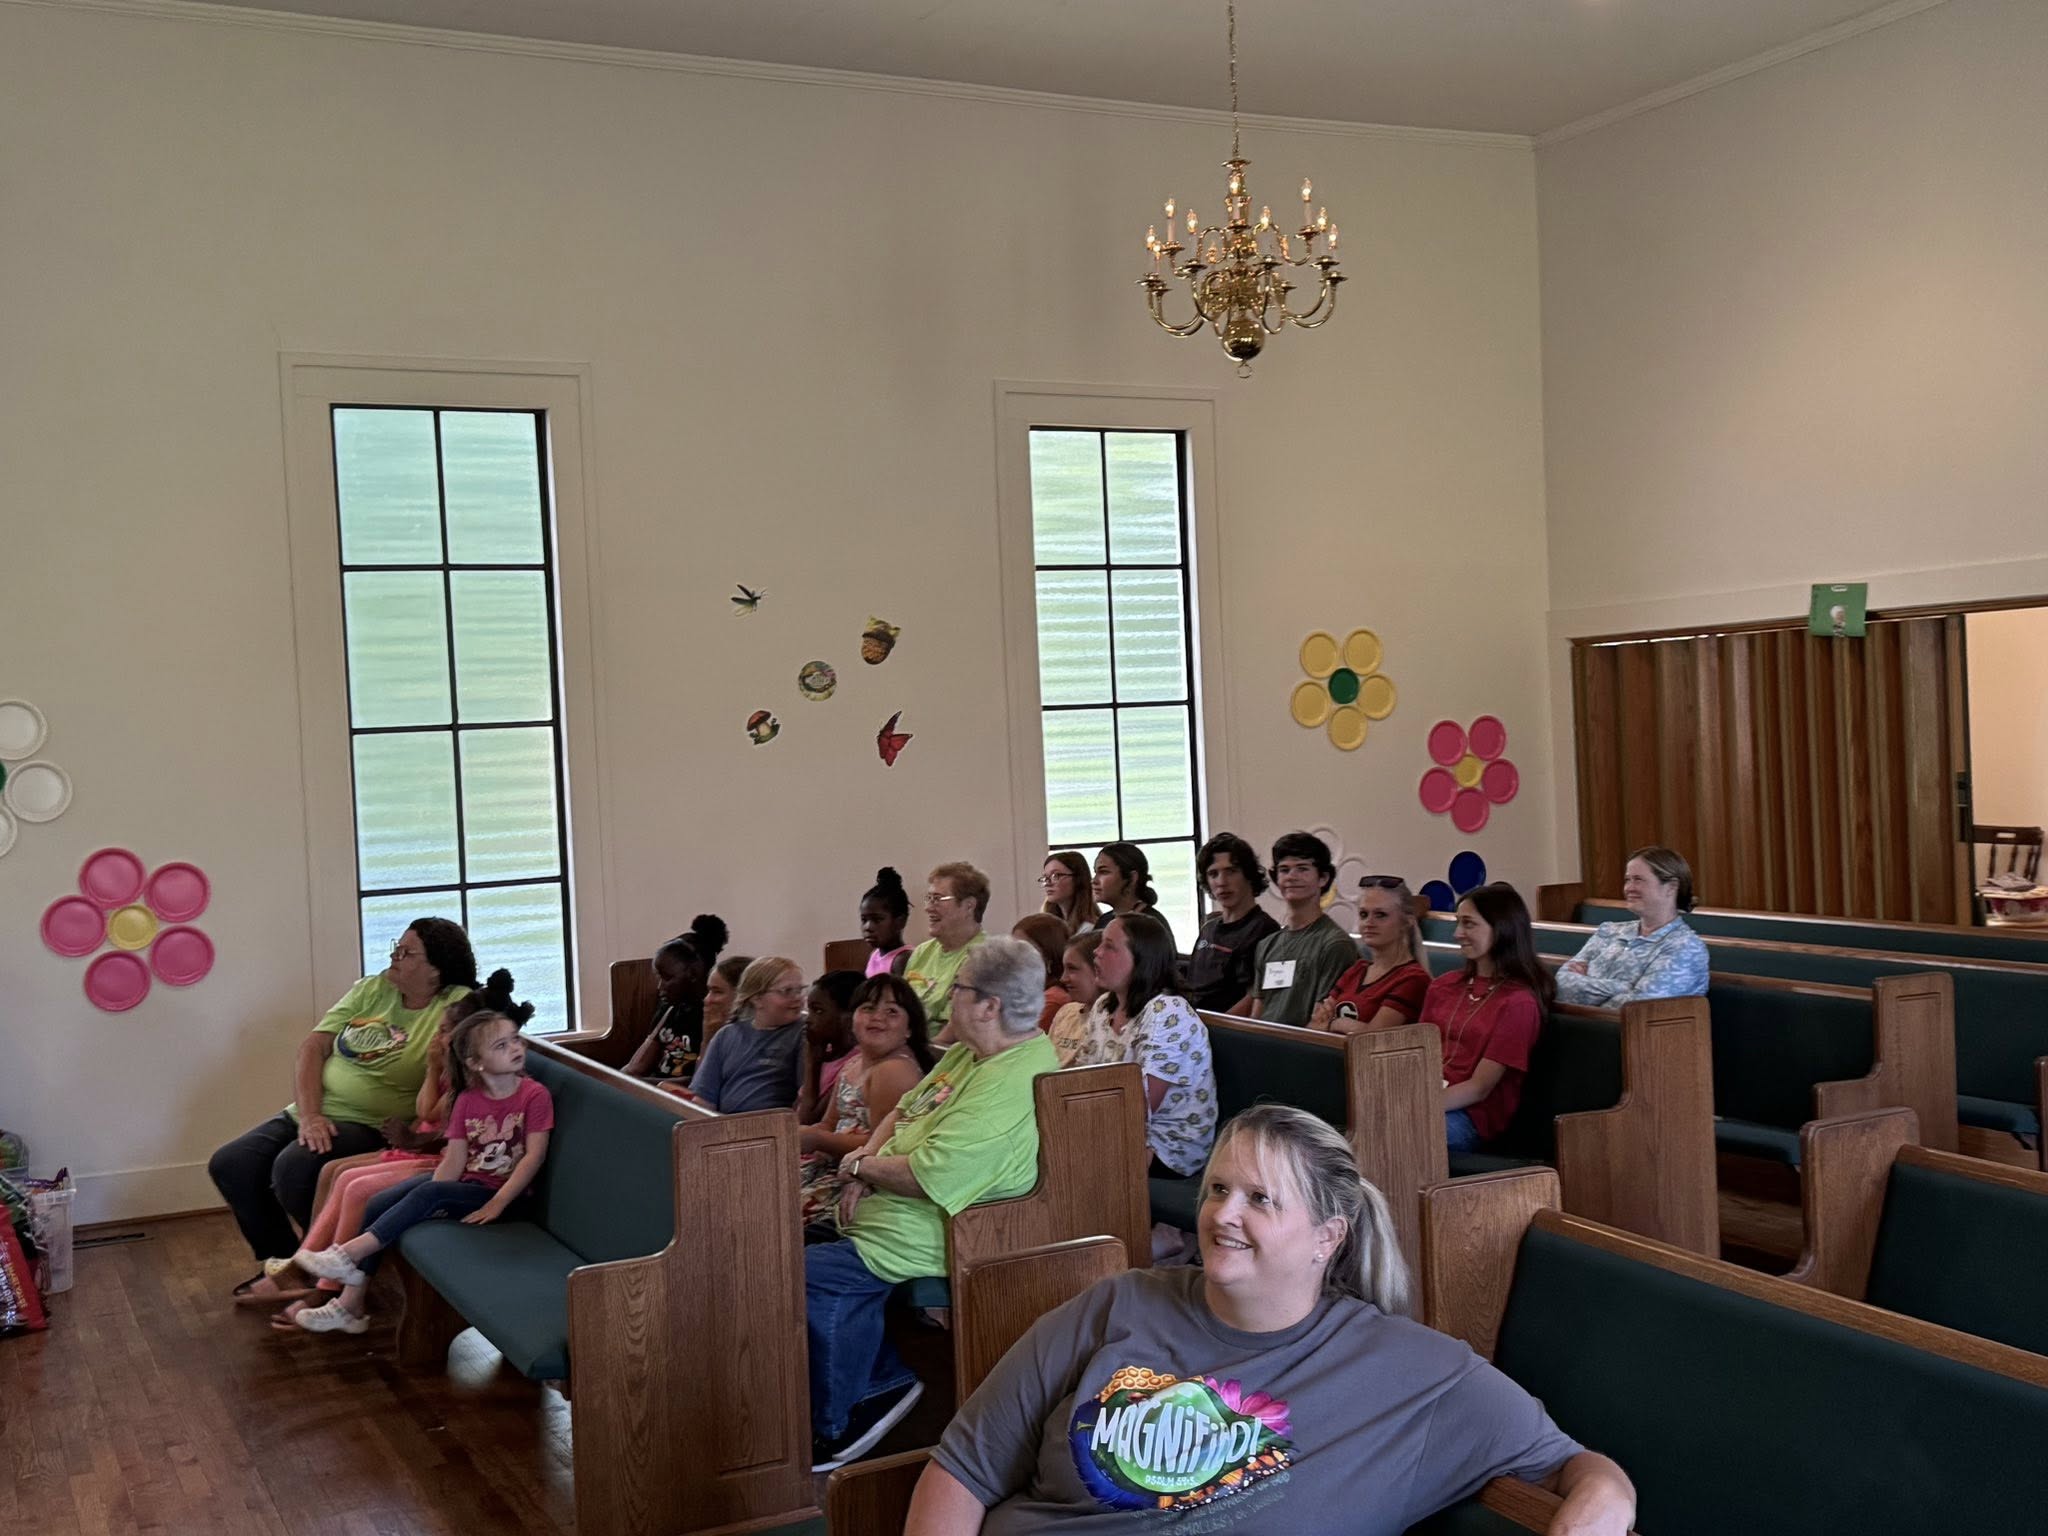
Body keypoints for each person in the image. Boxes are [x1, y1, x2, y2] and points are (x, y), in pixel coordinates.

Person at [904, 1104, 1636, 1535]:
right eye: (1218, 1189)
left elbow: (1572, 1464)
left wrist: (1607, 1496)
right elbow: (962, 1471)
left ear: (1327, 1237)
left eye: (1260, 1199)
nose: (1223, 1213)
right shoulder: (1115, 1305)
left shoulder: (1413, 1372)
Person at [806, 937, 1061, 1471]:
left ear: (989, 1006)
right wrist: (865, 1161)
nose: (947, 997)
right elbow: (904, 1110)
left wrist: (862, 1170)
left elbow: (928, 1175)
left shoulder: (1009, 1086)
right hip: (885, 1210)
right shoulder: (974, 1052)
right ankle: (873, 1380)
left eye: (958, 988)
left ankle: (849, 1413)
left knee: (796, 1276)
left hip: (930, 1235)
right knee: (776, 1244)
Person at [209, 916, 478, 1296]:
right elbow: (313, 1047)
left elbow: (481, 1044)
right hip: (315, 1111)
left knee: (293, 1167)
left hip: (373, 1123)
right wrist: (310, 1114)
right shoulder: (372, 989)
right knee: (232, 1163)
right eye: (396, 947)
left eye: (407, 952)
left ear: (436, 969)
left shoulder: (455, 1005)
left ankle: (320, 1267)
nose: (394, 956)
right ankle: (287, 1262)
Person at [263, 970, 527, 1325]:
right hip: (447, 1166)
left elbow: (513, 1152)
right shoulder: (460, 1082)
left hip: (459, 1172)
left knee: (357, 1187)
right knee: (335, 1173)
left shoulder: (509, 1091)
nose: (437, 1038)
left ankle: (328, 1282)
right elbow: (433, 1121)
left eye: (445, 1032)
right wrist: (433, 1068)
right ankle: (317, 1267)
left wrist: (422, 1149)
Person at [1069, 914, 1217, 1186]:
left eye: (1109, 946)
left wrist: (1076, 1127)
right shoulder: (1104, 1006)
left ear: (1142, 959)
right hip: (1112, 1124)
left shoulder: (1168, 1012)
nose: (1096, 953)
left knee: (1066, 1161)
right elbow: (1080, 1076)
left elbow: (1139, 1106)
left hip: (1168, 1144)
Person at [798, 974, 938, 1234]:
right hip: (832, 1165)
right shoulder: (854, 1063)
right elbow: (829, 1123)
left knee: (776, 1211)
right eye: (868, 1008)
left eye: (892, 1011)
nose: (877, 1017)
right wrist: (808, 1136)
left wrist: (817, 1139)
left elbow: (882, 1145)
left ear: (909, 1029)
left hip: (862, 1179)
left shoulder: (894, 1070)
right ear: (852, 1020)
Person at [1423, 884, 1551, 1154]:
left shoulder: (1518, 1003)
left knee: (1402, 1133)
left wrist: (1413, 1107)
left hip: (1470, 1116)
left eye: (1469, 924)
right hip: (1429, 1095)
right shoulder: (1444, 985)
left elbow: (1480, 1088)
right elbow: (1418, 1054)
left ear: (1501, 929)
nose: (1457, 934)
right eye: (1458, 923)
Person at [1554, 847, 1710, 1007]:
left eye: (1638, 880)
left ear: (1671, 887)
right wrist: (1623, 987)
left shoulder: (1686, 947)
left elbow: (1638, 1007)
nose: (1629, 888)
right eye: (1627, 880)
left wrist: (1584, 982)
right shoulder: (1608, 931)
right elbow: (1561, 984)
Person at [1246, 833, 1357, 1027]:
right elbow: (1257, 1014)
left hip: (1302, 1043)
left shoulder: (1336, 944)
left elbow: (1321, 1022)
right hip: (1262, 1041)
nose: (1291, 876)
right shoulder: (1266, 945)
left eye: (1302, 869)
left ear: (1323, 878)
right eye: (1284, 870)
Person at [688, 956, 808, 1113]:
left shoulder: (803, 1033)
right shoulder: (726, 1035)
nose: (797, 998)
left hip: (773, 1123)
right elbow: (704, 1098)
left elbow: (804, 1097)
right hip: (723, 1122)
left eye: (799, 990)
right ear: (757, 998)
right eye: (787, 991)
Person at [1312, 877, 1430, 1035]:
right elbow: (1314, 1027)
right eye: (1363, 914)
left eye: (1380, 915)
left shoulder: (1413, 979)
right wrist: (1341, 1025)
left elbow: (1372, 1037)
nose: (1369, 922)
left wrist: (1335, 1023)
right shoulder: (1358, 969)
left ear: (1407, 922)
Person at [622, 914, 731, 1083]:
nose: (660, 987)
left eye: (667, 978)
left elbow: (701, 1083)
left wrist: (643, 1084)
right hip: (655, 1088)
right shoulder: (670, 1008)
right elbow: (636, 1067)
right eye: (659, 977)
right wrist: (618, 1080)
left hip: (676, 1094)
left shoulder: (715, 1016)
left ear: (693, 974)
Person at [1185, 832, 1280, 1013]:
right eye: (1213, 874)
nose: (1222, 882)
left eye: (1231, 871)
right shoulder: (1209, 928)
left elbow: (1256, 997)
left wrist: (1211, 1026)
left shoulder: (1265, 929)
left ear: (1248, 875)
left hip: (1225, 1026)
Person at [904, 862, 991, 1040]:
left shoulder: (984, 958)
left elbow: (955, 1030)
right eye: (929, 898)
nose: (928, 908)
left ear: (969, 906)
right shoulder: (922, 952)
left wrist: (917, 1053)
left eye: (937, 899)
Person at [798, 970, 867, 1123]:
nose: (808, 1019)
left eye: (818, 1011)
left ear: (849, 1016)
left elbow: (808, 1120)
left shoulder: (855, 1063)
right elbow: (796, 1111)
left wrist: (812, 1064)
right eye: (809, 1010)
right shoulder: (827, 1053)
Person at [1093, 843, 1174, 952]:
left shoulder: (1151, 926)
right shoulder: (1103, 921)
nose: (1094, 881)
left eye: (1104, 872)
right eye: (1096, 872)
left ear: (1132, 878)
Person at [1046, 930, 1103, 1067]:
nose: (1063, 978)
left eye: (1072, 969)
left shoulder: (1110, 1023)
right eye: (1064, 969)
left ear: (1099, 969)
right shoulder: (1066, 1012)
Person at [1011, 912, 1075, 1031]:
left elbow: (1018, 1039)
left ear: (1048, 955)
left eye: (1024, 950)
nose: (1014, 956)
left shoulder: (1052, 1000)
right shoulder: (1027, 992)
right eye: (1013, 948)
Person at [861, 867, 914, 979]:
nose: (868, 927)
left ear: (900, 922)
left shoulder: (902, 960)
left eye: (877, 920)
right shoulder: (874, 955)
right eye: (864, 920)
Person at [1040, 851, 1103, 936]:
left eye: (1056, 876)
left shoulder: (1090, 928)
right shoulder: (1050, 924)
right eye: (1045, 877)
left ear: (1078, 880)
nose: (1048, 883)